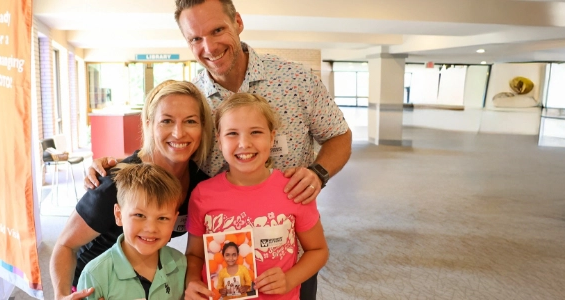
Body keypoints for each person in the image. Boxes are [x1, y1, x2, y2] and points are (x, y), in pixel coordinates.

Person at [86, 1, 352, 298]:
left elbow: (339, 136)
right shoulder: (195, 99)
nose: (209, 47)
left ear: (238, 22)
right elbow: (169, 143)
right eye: (195, 38)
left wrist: (317, 173)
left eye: (217, 30)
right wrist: (119, 166)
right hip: (220, 271)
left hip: (289, 260)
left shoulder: (295, 80)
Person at [51, 80, 215, 300]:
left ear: (202, 127)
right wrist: (61, 296)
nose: (178, 133)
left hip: (145, 283)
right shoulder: (114, 183)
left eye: (190, 121)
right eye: (166, 121)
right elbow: (65, 245)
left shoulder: (199, 185)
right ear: (149, 124)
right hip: (95, 288)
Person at [185, 93, 328, 300]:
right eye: (232, 133)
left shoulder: (293, 190)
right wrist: (192, 281)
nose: (244, 143)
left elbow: (318, 250)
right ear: (219, 139)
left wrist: (289, 279)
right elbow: (194, 255)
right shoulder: (202, 195)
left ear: (271, 137)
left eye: (256, 132)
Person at [76, 163, 188, 299]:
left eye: (163, 218)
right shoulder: (94, 275)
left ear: (174, 219)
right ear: (118, 215)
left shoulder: (180, 264)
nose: (151, 228)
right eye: (139, 215)